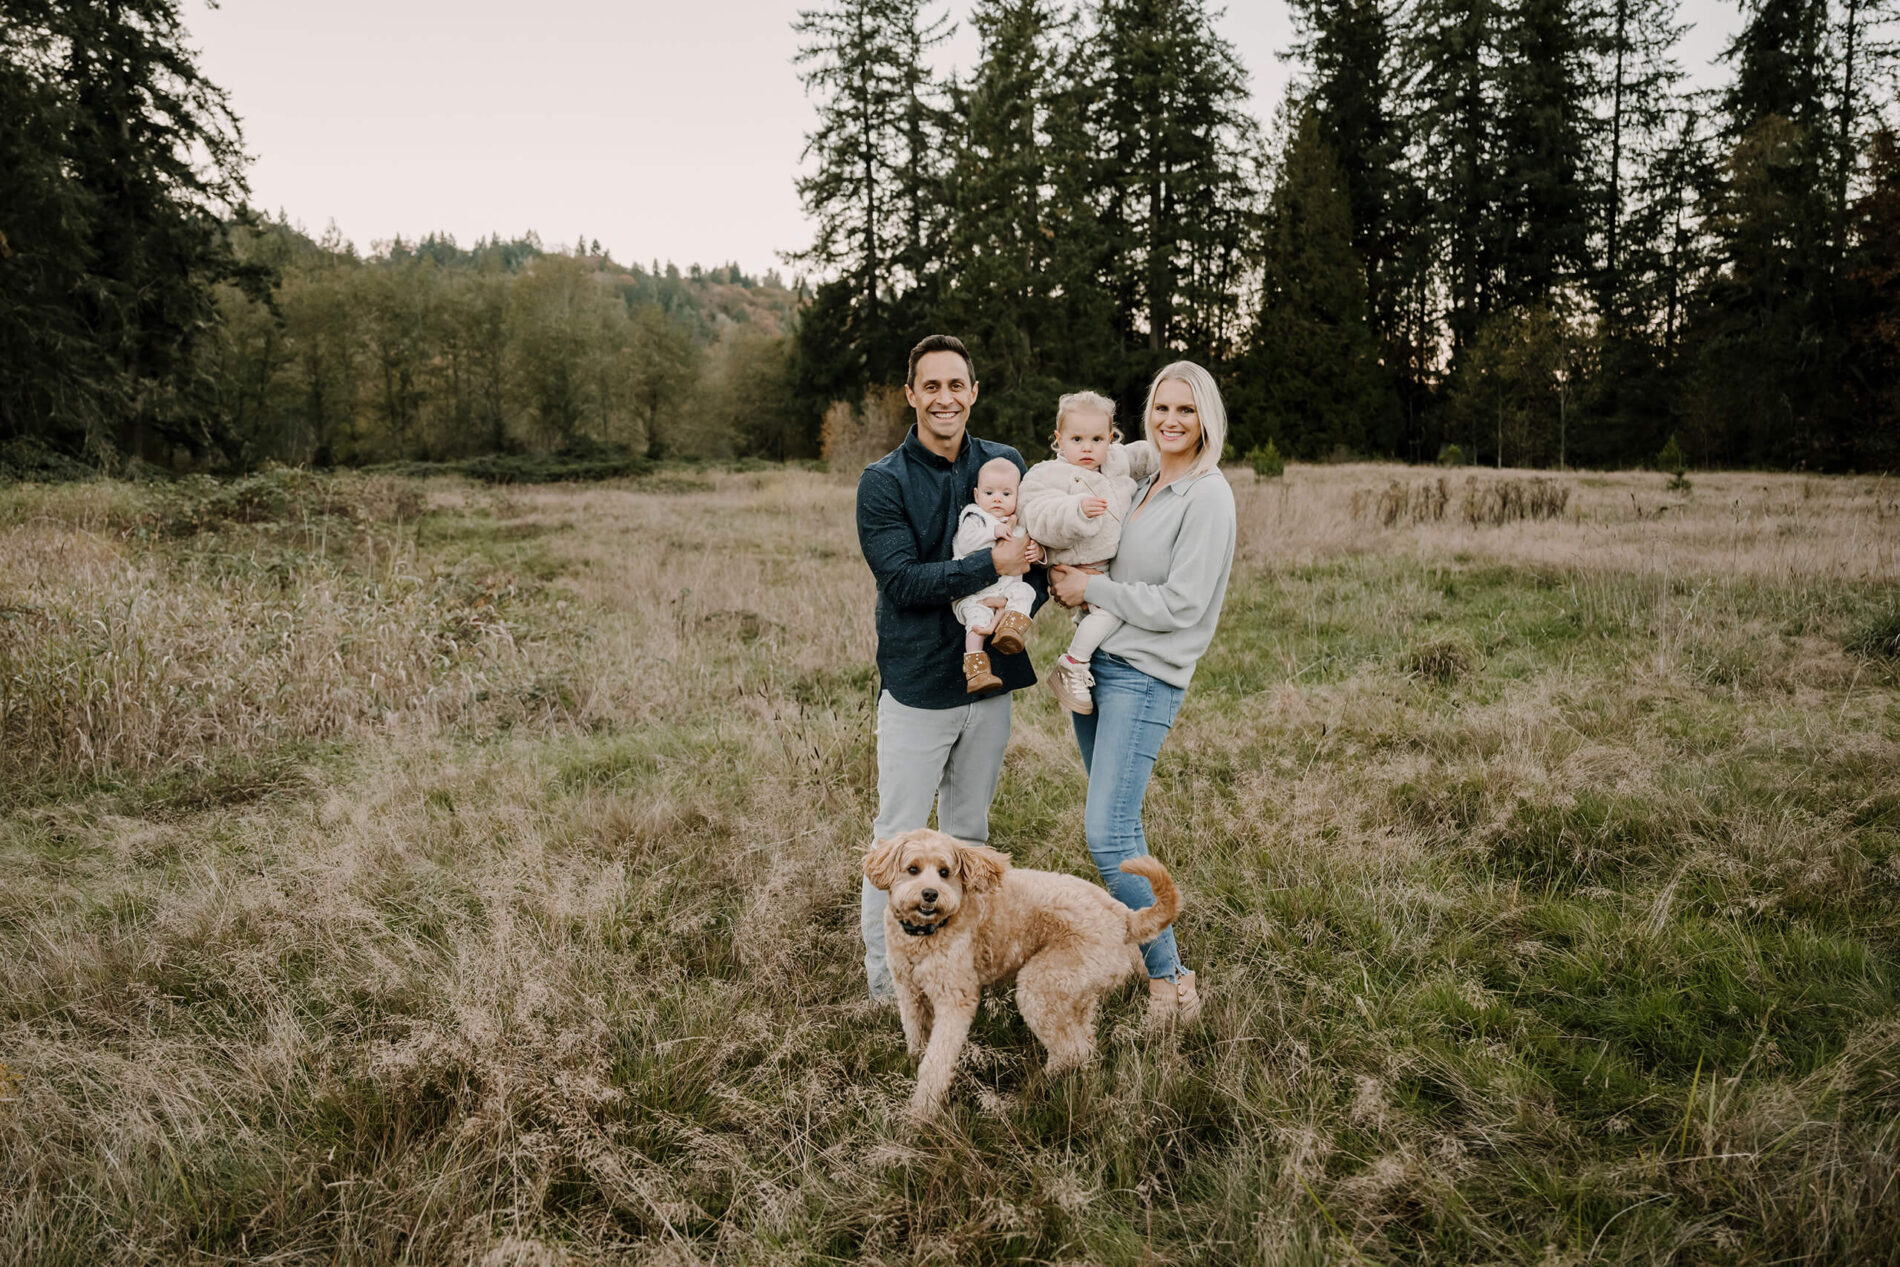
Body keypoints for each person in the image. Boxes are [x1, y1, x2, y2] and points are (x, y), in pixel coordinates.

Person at [855, 334, 1045, 1001]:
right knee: (895, 842)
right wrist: (989, 567)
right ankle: (889, 987)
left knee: (968, 838)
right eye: (930, 386)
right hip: (915, 687)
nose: (945, 398)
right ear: (911, 394)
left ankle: (960, 973)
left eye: (956, 385)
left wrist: (1021, 604)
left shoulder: (1005, 464)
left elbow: (1037, 554)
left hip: (989, 684)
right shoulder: (882, 482)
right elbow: (903, 581)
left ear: (973, 391)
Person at [1048, 361, 1237, 1027]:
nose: (1172, 421)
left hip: (1146, 672)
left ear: (1206, 416)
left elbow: (1182, 602)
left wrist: (1089, 589)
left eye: (1186, 410)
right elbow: (1089, 444)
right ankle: (1155, 958)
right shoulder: (1148, 475)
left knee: (1106, 830)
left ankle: (1173, 981)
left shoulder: (1207, 496)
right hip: (1103, 663)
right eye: (1161, 407)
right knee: (1118, 824)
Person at [1015, 390, 1157, 714]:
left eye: (1097, 439)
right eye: (1077, 438)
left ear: (1110, 438)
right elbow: (1038, 515)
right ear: (1059, 438)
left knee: (1103, 618)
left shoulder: (1114, 462)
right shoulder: (1047, 474)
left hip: (1107, 564)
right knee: (1112, 611)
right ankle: (1073, 664)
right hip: (1078, 564)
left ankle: (1089, 661)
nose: (1087, 448)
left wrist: (1174, 454)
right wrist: (1076, 510)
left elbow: (1144, 456)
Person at [950, 457, 1037, 694]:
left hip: (1004, 594)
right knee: (976, 624)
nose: (997, 498)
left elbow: (1029, 553)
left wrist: (1036, 551)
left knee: (1025, 592)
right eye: (990, 493)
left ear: (1018, 497)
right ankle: (977, 671)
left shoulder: (1018, 524)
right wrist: (992, 530)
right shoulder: (975, 517)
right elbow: (967, 543)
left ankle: (1010, 630)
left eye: (1006, 494)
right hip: (973, 593)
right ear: (977, 496)